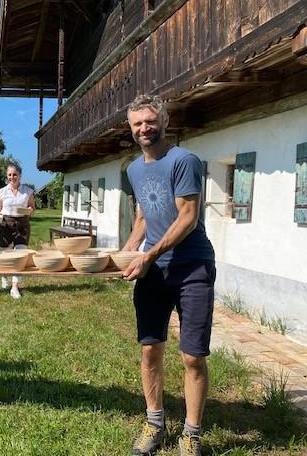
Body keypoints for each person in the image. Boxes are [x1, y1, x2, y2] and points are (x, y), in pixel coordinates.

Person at [121, 95, 215, 456]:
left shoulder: (184, 161)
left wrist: (149, 254)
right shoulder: (133, 169)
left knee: (192, 356)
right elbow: (144, 216)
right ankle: (155, 423)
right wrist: (127, 254)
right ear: (131, 129)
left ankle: (191, 434)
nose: (144, 128)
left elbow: (187, 217)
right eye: (137, 124)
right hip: (153, 271)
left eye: (149, 121)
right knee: (150, 349)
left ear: (163, 120)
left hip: (192, 267)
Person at [0, 164, 35, 299]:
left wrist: (29, 211)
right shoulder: (1, 192)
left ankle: (15, 287)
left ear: (20, 175)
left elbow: (32, 208)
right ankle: (4, 276)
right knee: (6, 256)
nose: (12, 177)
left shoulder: (28, 191)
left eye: (15, 174)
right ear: (7, 176)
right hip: (6, 223)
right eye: (10, 175)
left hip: (22, 223)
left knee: (20, 256)